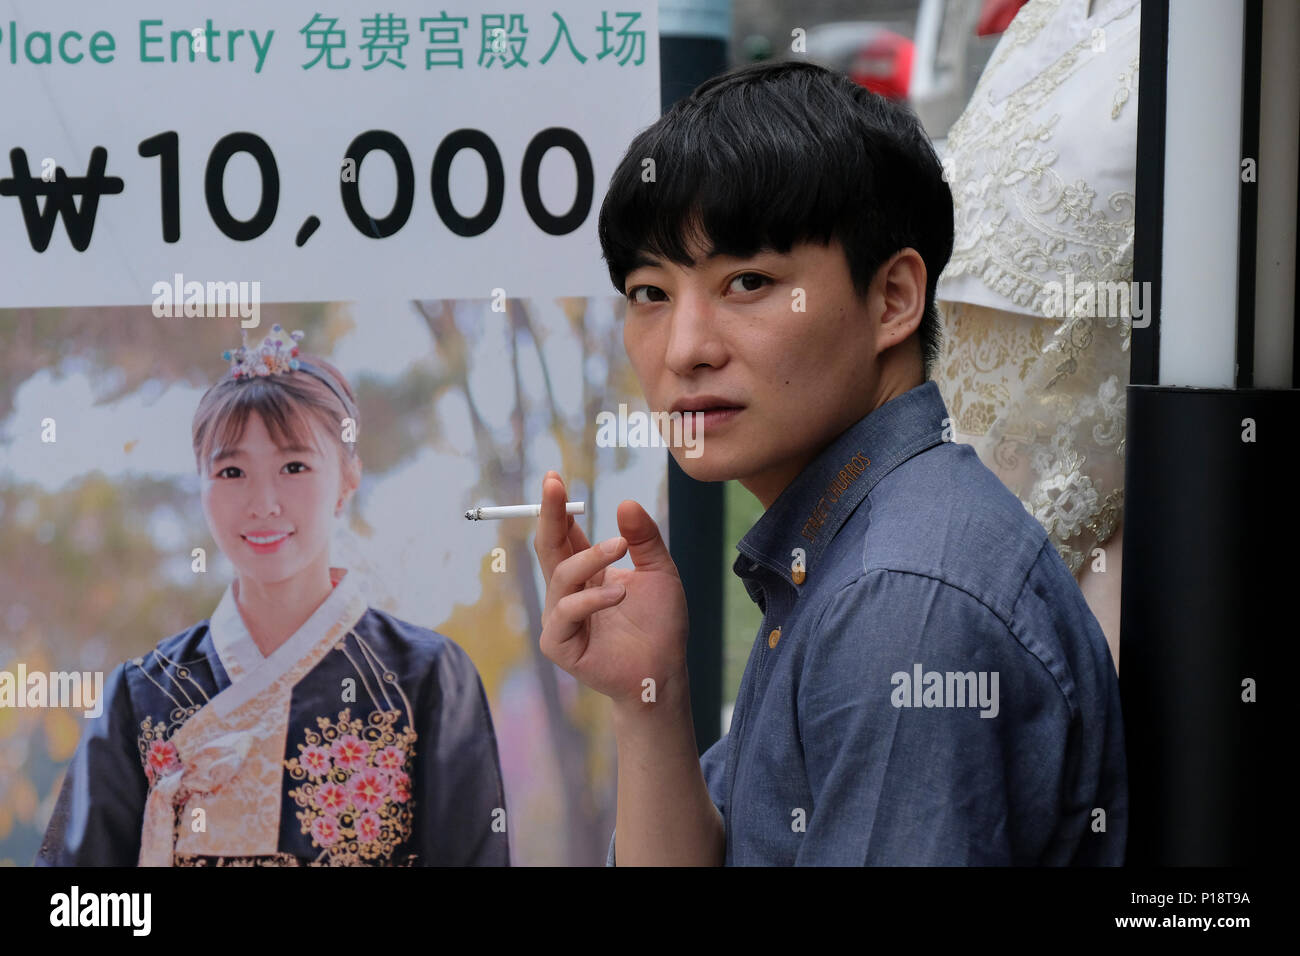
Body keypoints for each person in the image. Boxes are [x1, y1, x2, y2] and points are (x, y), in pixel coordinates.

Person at [533, 60, 1126, 865]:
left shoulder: (902, 602)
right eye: (650, 292)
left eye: (748, 282)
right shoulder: (851, 545)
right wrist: (652, 697)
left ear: (892, 300)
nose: (684, 350)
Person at [37, 325, 508, 866]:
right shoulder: (139, 696)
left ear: (348, 478)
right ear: (200, 482)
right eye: (231, 471)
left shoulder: (425, 678)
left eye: (294, 467)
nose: (263, 503)